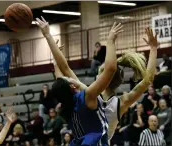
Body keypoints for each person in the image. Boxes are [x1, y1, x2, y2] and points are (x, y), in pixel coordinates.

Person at [51, 27, 159, 144]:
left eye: (99, 73)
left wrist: (55, 58)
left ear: (103, 78)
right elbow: (148, 80)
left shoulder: (90, 94)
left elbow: (66, 70)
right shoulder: (121, 103)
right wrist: (153, 49)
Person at [36, 16, 123, 145]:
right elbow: (110, 69)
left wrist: (48, 37)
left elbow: (63, 69)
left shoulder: (66, 107)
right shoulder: (87, 97)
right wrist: (110, 41)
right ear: (72, 86)